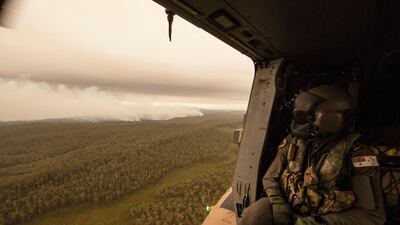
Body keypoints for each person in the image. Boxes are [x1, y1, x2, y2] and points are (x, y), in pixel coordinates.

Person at [239, 85, 386, 225]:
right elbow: (270, 177)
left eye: (305, 117)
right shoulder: (293, 141)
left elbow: (371, 216)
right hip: (289, 205)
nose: (299, 122)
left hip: (326, 217)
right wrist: (278, 204)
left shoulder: (359, 155)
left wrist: (317, 222)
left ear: (329, 118)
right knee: (253, 216)